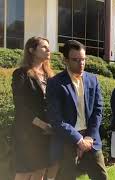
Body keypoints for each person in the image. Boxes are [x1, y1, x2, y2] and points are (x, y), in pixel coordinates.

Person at [46, 40, 107, 180]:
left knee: (101, 176)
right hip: (67, 140)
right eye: (76, 60)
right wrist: (79, 140)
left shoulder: (93, 80)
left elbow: (98, 111)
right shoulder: (55, 83)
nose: (81, 64)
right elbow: (56, 118)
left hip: (91, 139)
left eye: (83, 59)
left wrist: (89, 137)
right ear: (65, 60)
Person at [11, 36, 59, 180]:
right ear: (31, 50)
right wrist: (42, 125)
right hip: (27, 132)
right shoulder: (21, 74)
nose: (48, 49)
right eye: (44, 47)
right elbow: (20, 106)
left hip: (47, 133)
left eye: (48, 46)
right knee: (24, 173)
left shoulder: (50, 76)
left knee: (41, 171)